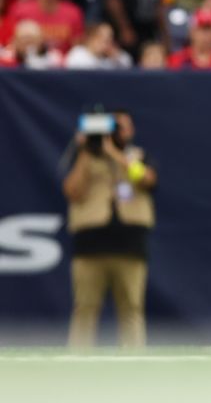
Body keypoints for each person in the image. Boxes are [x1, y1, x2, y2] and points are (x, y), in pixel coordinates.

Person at [63, 110, 157, 348]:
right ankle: (77, 366)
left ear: (131, 131)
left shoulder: (137, 156)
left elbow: (146, 180)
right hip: (90, 245)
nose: (116, 133)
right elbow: (72, 191)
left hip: (129, 245)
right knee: (84, 308)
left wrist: (114, 154)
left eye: (121, 127)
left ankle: (133, 363)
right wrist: (85, 150)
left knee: (132, 308)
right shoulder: (84, 157)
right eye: (112, 128)